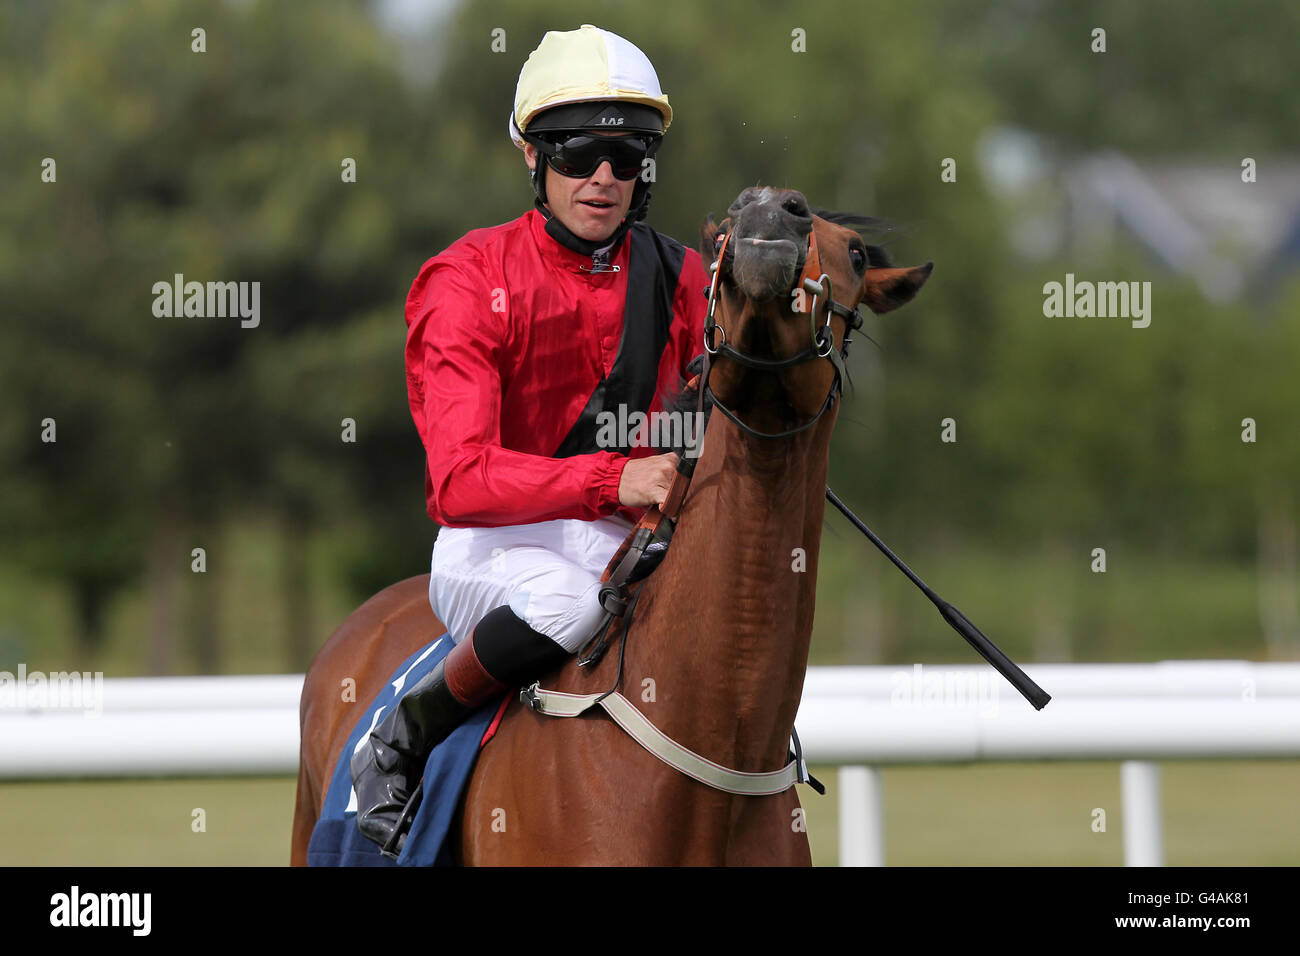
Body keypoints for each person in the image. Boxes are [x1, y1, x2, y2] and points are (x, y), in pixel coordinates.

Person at [350, 23, 708, 853]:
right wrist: (611, 482)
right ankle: (403, 732)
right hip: (494, 548)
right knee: (568, 603)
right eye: (579, 152)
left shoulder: (685, 277)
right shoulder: (468, 279)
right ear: (532, 155)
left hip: (635, 545)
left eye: (628, 155)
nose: (605, 177)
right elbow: (460, 484)